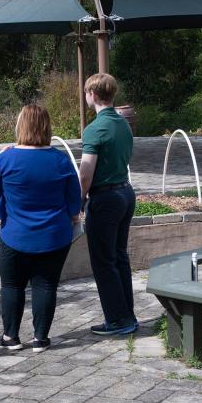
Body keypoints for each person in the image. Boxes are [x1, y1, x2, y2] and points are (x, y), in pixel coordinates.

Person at [0, 104, 82, 352]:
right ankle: (40, 338)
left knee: (12, 286)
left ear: (21, 126)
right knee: (46, 285)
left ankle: (10, 337)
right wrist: (74, 220)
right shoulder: (60, 160)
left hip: (15, 235)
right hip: (54, 236)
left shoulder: (5, 159)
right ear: (47, 127)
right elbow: (74, 200)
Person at [79, 73, 137, 336]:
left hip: (105, 199)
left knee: (104, 262)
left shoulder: (94, 129)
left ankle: (117, 319)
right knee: (119, 257)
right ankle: (128, 314)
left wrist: (79, 199)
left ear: (92, 94)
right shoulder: (123, 124)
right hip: (125, 193)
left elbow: (86, 172)